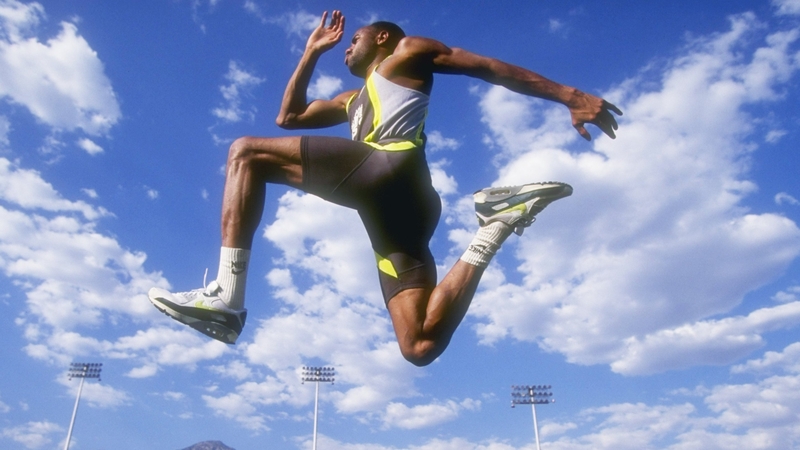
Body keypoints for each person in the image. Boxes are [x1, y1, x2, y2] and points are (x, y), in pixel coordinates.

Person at [148, 10, 621, 366]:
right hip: (399, 214)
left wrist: (571, 96)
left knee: (245, 153)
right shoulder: (352, 99)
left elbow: (485, 67)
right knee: (417, 345)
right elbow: (288, 117)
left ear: (382, 37)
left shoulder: (406, 53)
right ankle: (495, 225)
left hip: (391, 168)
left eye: (352, 40)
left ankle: (227, 298)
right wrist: (312, 51)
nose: (346, 49)